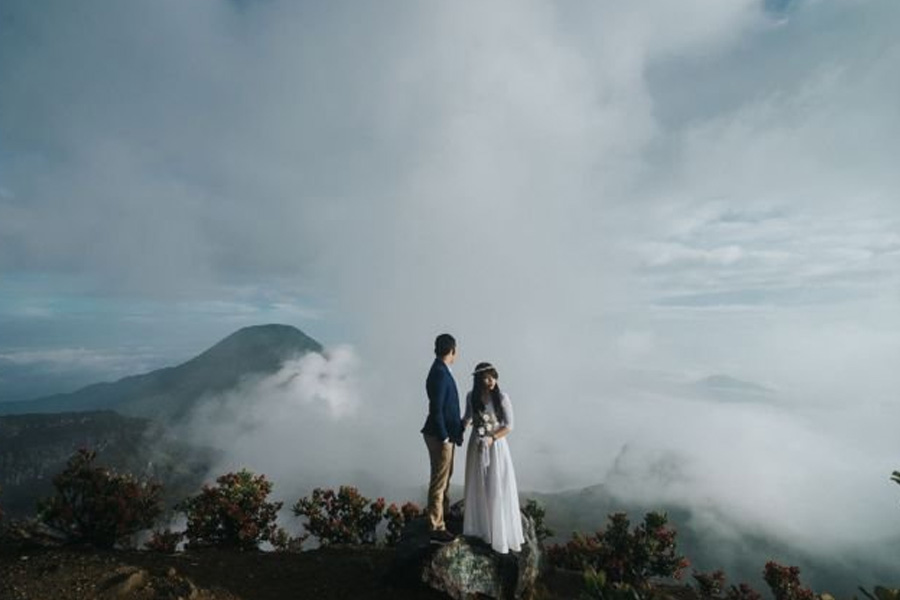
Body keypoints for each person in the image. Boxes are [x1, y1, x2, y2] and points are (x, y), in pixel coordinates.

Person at [463, 362, 524, 554]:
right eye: (485, 378)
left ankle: (499, 531)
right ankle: (481, 528)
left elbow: (509, 425)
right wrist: (460, 427)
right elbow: (468, 417)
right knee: (478, 483)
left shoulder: (502, 398)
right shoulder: (471, 397)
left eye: (492, 377)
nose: (490, 381)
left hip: (496, 446)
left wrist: (492, 437)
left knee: (496, 483)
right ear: (479, 380)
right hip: (476, 444)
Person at [421, 333, 464, 542]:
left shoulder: (440, 369)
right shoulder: (440, 372)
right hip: (440, 435)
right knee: (439, 480)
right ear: (452, 351)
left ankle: (443, 513)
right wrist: (445, 436)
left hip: (444, 434)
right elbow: (436, 408)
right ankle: (436, 526)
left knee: (445, 476)